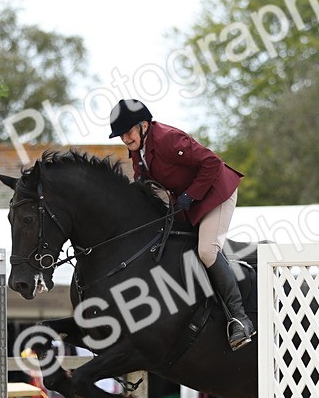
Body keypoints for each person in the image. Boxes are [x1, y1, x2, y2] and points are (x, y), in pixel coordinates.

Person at [108, 98, 255, 350]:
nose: (124, 138)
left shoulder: (168, 138)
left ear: (144, 125)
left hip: (216, 192)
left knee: (206, 251)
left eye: (127, 132)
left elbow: (212, 163)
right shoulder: (137, 149)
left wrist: (189, 195)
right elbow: (142, 183)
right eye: (120, 135)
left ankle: (240, 319)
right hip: (190, 201)